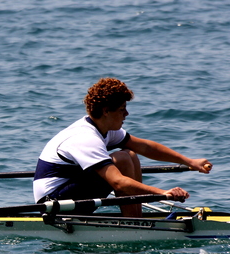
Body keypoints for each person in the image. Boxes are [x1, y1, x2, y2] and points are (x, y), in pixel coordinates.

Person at [33, 78, 212, 217]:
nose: (126, 114)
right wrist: (163, 193)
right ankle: (134, 222)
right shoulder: (85, 137)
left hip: (69, 192)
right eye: (121, 109)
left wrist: (190, 161)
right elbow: (117, 181)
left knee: (131, 155)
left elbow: (146, 147)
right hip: (53, 205)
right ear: (106, 111)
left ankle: (136, 218)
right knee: (123, 159)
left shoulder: (106, 129)